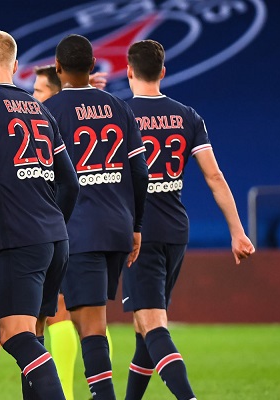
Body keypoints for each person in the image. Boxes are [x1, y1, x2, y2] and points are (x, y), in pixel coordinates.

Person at [122, 39, 255, 400]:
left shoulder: (121, 114)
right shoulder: (187, 116)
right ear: (163, 72)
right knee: (144, 330)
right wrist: (237, 232)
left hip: (140, 233)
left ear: (129, 70)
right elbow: (214, 177)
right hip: (176, 230)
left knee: (152, 325)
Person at [0, 30, 79, 400]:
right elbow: (70, 184)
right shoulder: (40, 109)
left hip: (17, 238)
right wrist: (54, 225)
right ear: (15, 66)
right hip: (55, 238)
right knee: (35, 335)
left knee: (14, 336)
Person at [43, 34, 149, 400]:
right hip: (118, 227)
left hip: (79, 229)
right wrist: (136, 226)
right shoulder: (119, 107)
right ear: (93, 66)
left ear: (58, 68)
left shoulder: (50, 110)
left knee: (88, 326)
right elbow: (140, 172)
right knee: (88, 320)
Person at [31, 64, 114, 400]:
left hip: (63, 225)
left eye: (38, 91)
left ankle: (64, 392)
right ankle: (97, 390)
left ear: (55, 93)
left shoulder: (49, 120)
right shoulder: (81, 118)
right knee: (91, 318)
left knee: (60, 312)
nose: (33, 97)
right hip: (94, 225)